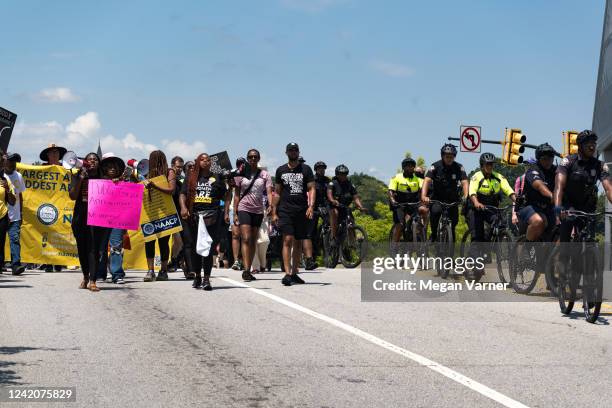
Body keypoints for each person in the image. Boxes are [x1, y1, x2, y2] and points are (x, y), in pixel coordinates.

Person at [179, 153, 230, 290]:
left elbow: (226, 196)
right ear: (197, 162)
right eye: (202, 159)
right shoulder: (191, 176)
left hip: (211, 217)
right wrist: (183, 208)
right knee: (196, 248)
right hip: (193, 217)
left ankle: (206, 279)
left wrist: (226, 213)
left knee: (208, 248)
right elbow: (183, 194)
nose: (205, 162)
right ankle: (197, 276)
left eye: (208, 160)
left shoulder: (217, 177)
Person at [554, 130, 612, 242]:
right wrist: (558, 208)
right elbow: (559, 187)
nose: (592, 147)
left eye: (594, 144)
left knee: (589, 239)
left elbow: (609, 188)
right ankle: (562, 257)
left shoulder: (599, 165)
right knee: (565, 242)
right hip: (568, 205)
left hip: (587, 207)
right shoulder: (568, 161)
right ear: (580, 146)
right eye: (588, 144)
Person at [272, 143, 315, 286]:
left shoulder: (306, 169)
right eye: (290, 150)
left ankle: (295, 272)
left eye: (295, 150)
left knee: (298, 242)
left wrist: (311, 206)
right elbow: (277, 192)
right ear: (286, 152)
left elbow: (312, 188)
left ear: (298, 152)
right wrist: (274, 212)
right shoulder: (281, 170)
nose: (293, 152)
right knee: (287, 239)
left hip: (301, 209)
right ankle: (287, 273)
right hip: (285, 210)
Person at [233, 149, 273, 281]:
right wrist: (235, 212)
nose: (253, 159)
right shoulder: (240, 174)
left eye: (255, 157)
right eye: (250, 157)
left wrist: (271, 205)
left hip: (258, 210)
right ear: (247, 158)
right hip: (244, 208)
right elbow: (237, 194)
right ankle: (245, 269)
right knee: (245, 238)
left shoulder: (264, 174)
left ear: (259, 158)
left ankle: (249, 267)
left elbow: (268, 192)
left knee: (252, 241)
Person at [69, 152, 105, 291]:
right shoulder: (78, 175)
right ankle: (85, 276)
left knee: (94, 249)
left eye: (95, 159)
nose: (92, 161)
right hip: (80, 216)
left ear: (98, 162)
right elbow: (72, 196)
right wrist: (81, 179)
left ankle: (93, 280)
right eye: (89, 159)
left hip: (97, 217)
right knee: (82, 248)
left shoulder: (103, 177)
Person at [421, 144, 468, 242]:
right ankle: (434, 235)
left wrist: (466, 195)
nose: (449, 159)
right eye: (447, 156)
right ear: (442, 156)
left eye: (452, 156)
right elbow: (427, 181)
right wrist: (424, 196)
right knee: (435, 213)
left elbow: (464, 182)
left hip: (452, 200)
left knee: (454, 223)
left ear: (454, 156)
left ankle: (450, 248)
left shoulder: (459, 167)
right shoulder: (435, 166)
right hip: (437, 199)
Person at [142, 150, 177, 282]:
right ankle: (150, 270)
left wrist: (154, 186)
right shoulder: (145, 173)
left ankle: (163, 270)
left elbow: (171, 190)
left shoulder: (169, 172)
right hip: (149, 213)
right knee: (149, 241)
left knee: (163, 242)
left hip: (165, 213)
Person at [467, 153, 516, 246]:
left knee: (500, 223)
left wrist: (515, 200)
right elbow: (472, 192)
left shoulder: (498, 176)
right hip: (476, 209)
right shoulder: (476, 177)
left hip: (490, 208)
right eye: (487, 164)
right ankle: (472, 258)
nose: (490, 166)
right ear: (482, 165)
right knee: (477, 235)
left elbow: (508, 189)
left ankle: (490, 246)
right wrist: (476, 202)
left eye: (491, 164)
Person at [515, 145, 557, 241]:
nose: (548, 161)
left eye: (551, 158)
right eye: (545, 159)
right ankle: (527, 247)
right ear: (538, 159)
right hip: (529, 206)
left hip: (548, 207)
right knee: (539, 221)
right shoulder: (533, 170)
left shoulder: (555, 170)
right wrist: (552, 195)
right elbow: (540, 186)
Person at [98, 153, 128, 284]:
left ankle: (117, 274)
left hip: (117, 219)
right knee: (100, 247)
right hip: (100, 218)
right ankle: (100, 273)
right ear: (104, 169)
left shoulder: (124, 183)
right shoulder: (97, 183)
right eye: (109, 166)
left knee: (116, 246)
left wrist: (120, 183)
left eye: (115, 166)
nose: (112, 169)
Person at [39, 143, 67, 272]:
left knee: (59, 234)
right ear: (47, 156)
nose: (55, 154)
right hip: (46, 205)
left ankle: (59, 261)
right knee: (46, 234)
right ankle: (48, 262)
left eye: (57, 152)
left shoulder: (66, 168)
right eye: (52, 152)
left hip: (62, 205)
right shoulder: (41, 169)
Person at [388, 157, 428, 243]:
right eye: (407, 166)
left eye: (411, 166)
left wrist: (424, 199)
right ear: (403, 167)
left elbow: (423, 190)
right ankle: (394, 245)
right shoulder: (396, 177)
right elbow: (390, 191)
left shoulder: (418, 179)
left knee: (424, 210)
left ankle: (422, 232)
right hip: (399, 204)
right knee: (400, 224)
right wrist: (393, 201)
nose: (410, 168)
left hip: (413, 204)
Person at [327, 164, 366, 244]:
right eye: (341, 174)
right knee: (335, 213)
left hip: (345, 207)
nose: (343, 176)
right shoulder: (332, 183)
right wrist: (332, 200)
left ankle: (352, 244)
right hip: (334, 206)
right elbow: (329, 194)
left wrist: (360, 207)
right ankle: (333, 237)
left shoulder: (350, 185)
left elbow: (355, 197)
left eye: (345, 174)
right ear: (337, 174)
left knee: (350, 221)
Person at [4, 153, 26, 275]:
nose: (13, 164)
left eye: (15, 162)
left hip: (15, 215)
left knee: (15, 239)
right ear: (4, 162)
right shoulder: (1, 176)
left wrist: (21, 213)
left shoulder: (18, 176)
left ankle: (16, 265)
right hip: (2, 214)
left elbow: (20, 195)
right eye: (10, 161)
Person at [307, 161, 330, 261]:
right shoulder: (312, 179)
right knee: (311, 230)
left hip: (325, 206)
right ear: (316, 170)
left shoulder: (327, 180)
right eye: (320, 168)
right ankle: (311, 255)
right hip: (314, 207)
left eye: (323, 168)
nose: (322, 170)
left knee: (330, 226)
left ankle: (329, 246)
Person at [169, 156, 185, 273]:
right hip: (169, 213)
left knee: (179, 241)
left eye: (181, 167)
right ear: (172, 165)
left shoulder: (182, 180)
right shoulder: (167, 178)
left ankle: (173, 261)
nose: (180, 169)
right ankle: (172, 261)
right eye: (178, 166)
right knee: (177, 241)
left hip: (179, 213)